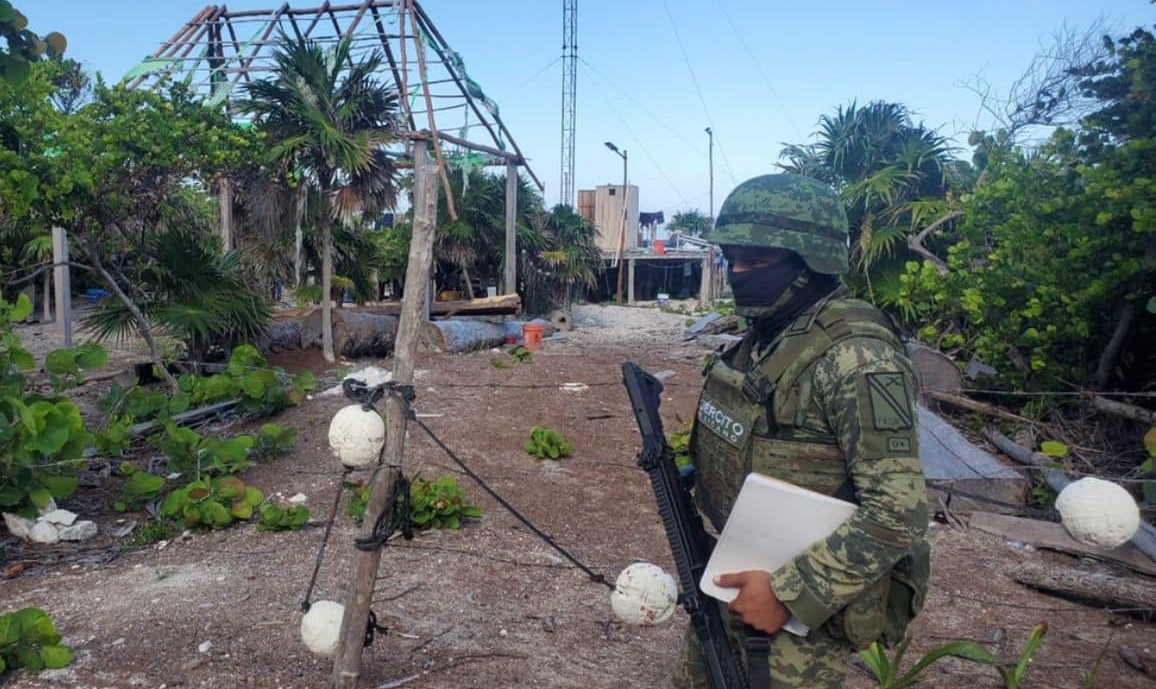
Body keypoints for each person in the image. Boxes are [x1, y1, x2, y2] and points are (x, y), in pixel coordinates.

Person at [668, 172, 930, 689]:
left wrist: (788, 593)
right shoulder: (770, 333)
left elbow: (899, 514)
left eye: (758, 262)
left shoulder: (857, 357)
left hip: (800, 616)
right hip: (736, 574)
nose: (739, 273)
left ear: (811, 263)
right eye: (732, 259)